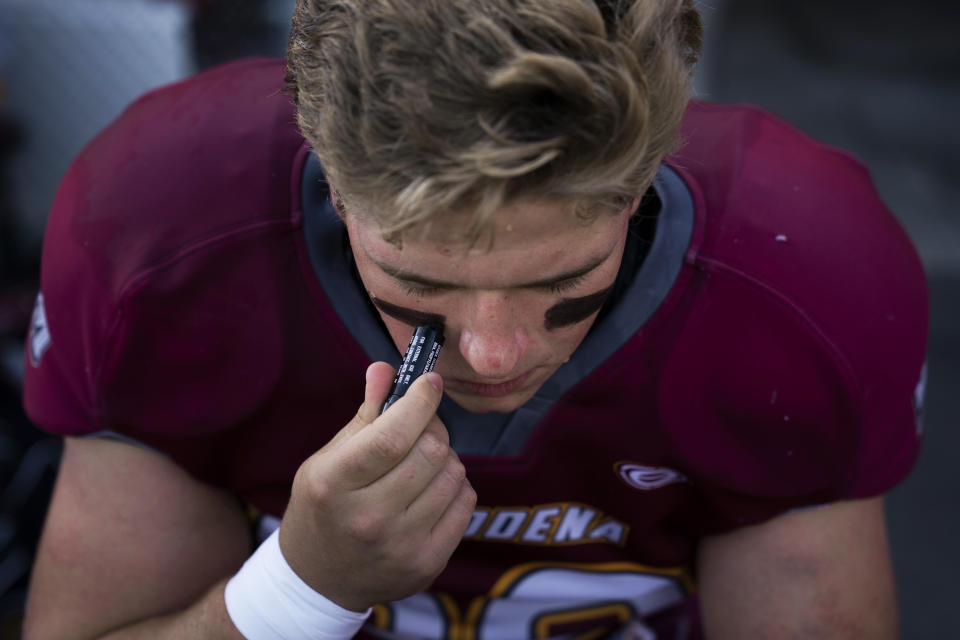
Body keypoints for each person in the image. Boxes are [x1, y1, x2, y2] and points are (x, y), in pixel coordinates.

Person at [21, 0, 927, 638]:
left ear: (648, 177)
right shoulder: (168, 238)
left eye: (566, 286)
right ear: (332, 182)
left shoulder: (798, 276)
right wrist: (298, 590)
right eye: (417, 288)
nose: (492, 354)